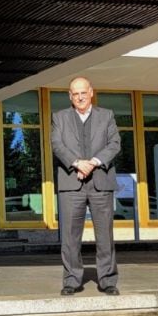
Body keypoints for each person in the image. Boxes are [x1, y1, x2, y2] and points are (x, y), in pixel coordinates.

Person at [51, 76, 122, 296]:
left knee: (105, 235)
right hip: (71, 185)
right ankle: (71, 280)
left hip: (101, 182)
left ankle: (108, 280)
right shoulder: (59, 117)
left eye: (83, 92)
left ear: (91, 92)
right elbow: (57, 144)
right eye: (75, 93)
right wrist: (77, 163)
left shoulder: (107, 115)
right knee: (70, 236)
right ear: (69, 96)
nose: (80, 97)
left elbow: (115, 143)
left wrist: (92, 163)